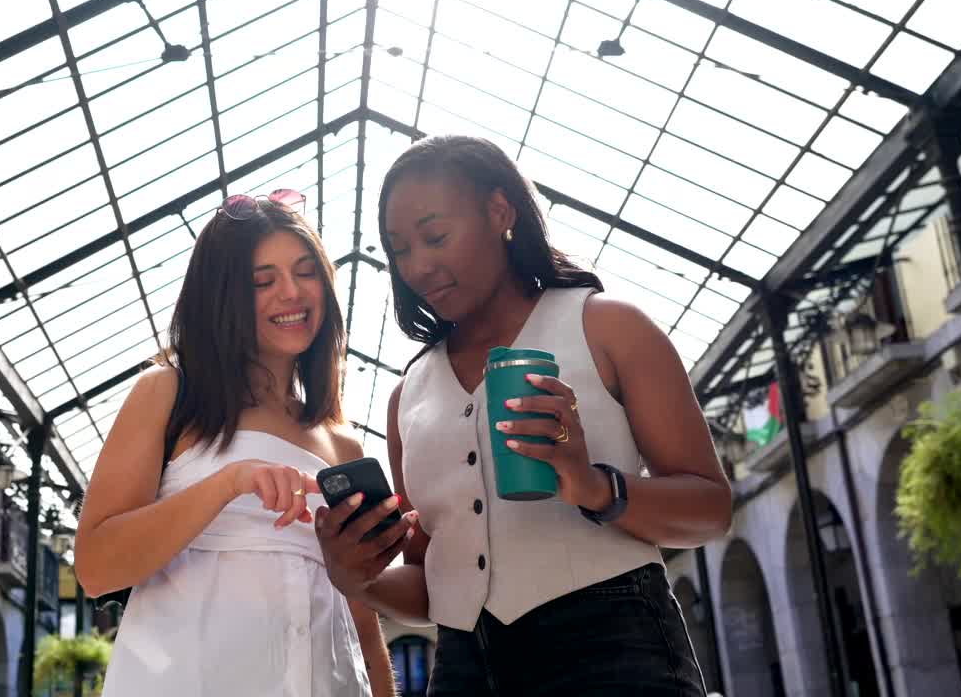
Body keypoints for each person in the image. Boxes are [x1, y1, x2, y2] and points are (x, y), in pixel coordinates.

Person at [314, 135, 733, 695]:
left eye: (435, 236)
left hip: (614, 650)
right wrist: (358, 578)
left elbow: (711, 510)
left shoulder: (609, 327)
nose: (418, 265)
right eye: (400, 249)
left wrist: (593, 487)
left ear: (500, 211)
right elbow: (430, 587)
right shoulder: (407, 395)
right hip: (464, 667)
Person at [75, 190, 395, 697]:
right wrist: (229, 482)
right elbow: (95, 568)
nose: (291, 292)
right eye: (261, 281)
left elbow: (363, 624)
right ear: (222, 297)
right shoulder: (168, 392)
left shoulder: (343, 444)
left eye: (306, 271)